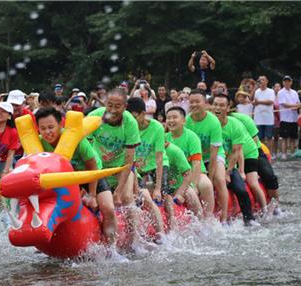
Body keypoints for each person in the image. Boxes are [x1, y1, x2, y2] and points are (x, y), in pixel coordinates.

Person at [36, 107, 117, 243]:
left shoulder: (75, 138)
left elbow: (92, 166)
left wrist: (91, 195)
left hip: (91, 174)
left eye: (51, 127)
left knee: (108, 208)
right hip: (65, 180)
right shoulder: (38, 143)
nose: (47, 132)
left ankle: (111, 247)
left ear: (60, 125)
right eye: (42, 128)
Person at [88, 90, 141, 248]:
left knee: (126, 197)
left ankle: (132, 241)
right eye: (109, 105)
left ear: (125, 107)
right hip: (98, 168)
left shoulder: (130, 123)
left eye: (117, 106)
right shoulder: (94, 117)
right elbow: (86, 149)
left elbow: (129, 160)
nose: (112, 110)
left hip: (121, 168)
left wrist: (118, 191)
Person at [212, 94, 262, 226]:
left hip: (228, 165)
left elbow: (236, 151)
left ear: (228, 108)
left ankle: (249, 218)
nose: (217, 108)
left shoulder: (235, 124)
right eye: (215, 104)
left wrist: (230, 172)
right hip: (209, 165)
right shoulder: (207, 123)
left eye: (221, 105)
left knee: (241, 189)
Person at [127, 97, 169, 237]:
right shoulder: (127, 127)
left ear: (143, 113)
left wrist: (157, 188)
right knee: (140, 195)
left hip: (155, 165)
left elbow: (159, 157)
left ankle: (162, 234)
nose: (131, 120)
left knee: (160, 192)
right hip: (137, 169)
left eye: (134, 117)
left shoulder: (156, 127)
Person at [185, 89, 229, 223]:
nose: (194, 105)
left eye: (197, 101)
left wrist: (210, 177)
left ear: (205, 103)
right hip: (194, 158)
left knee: (219, 180)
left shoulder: (213, 122)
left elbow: (214, 153)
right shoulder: (186, 121)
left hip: (212, 156)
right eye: (191, 102)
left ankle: (225, 216)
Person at [166, 106, 214, 219]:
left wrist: (194, 185)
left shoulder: (192, 137)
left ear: (183, 120)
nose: (171, 120)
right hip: (174, 175)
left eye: (174, 117)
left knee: (205, 185)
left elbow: (196, 164)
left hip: (195, 172)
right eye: (168, 118)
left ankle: (207, 218)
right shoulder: (164, 138)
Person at [230, 110, 280, 213]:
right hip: (231, 156)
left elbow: (255, 140)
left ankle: (276, 206)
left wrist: (249, 167)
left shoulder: (243, 119)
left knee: (268, 175)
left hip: (254, 152)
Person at [277, 75, 301, 159]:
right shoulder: (281, 92)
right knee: (284, 137)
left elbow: (298, 103)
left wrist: (298, 107)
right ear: (283, 82)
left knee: (293, 137)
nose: (287, 83)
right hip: (285, 118)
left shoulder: (295, 92)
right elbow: (283, 104)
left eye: (288, 81)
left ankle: (292, 153)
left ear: (291, 82)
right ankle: (284, 154)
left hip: (294, 118)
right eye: (285, 81)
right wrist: (294, 106)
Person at [253, 76, 276, 153]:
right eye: (260, 80)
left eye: (263, 80)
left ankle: (269, 153)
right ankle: (262, 153)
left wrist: (259, 102)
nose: (261, 81)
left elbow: (270, 102)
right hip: (258, 118)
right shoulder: (256, 92)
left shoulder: (271, 91)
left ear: (267, 81)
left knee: (269, 137)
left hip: (268, 118)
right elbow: (253, 101)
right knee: (259, 138)